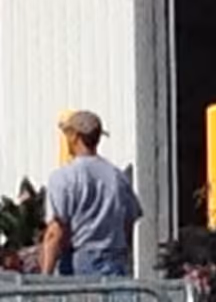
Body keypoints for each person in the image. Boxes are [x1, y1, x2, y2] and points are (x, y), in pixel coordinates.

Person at [39, 111, 141, 277]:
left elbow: (55, 232)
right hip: (115, 261)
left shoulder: (64, 177)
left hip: (79, 261)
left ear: (75, 137)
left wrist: (44, 278)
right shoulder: (117, 177)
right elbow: (128, 222)